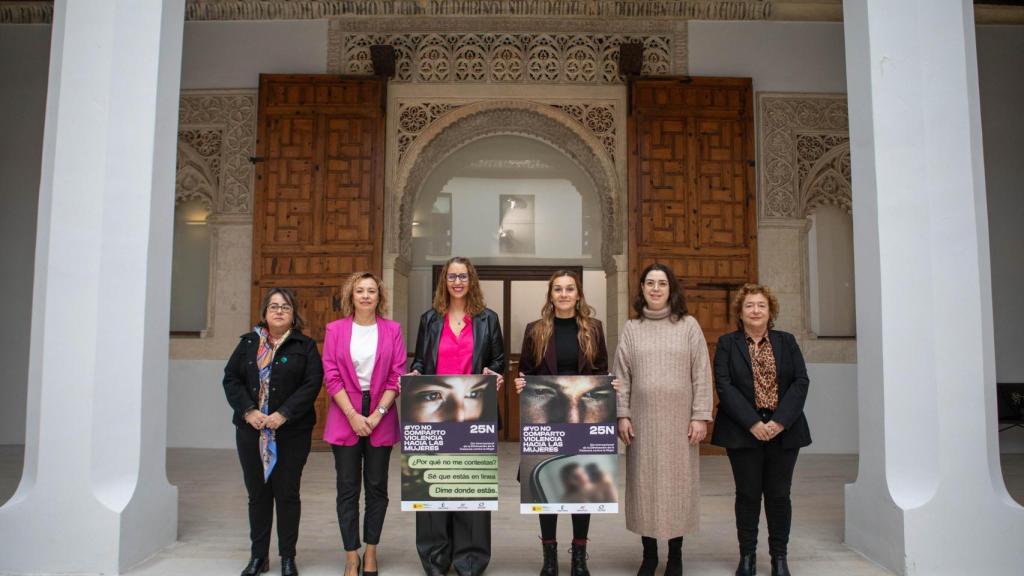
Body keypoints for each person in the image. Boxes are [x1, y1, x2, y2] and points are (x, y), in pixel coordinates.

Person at [612, 263, 713, 576]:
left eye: (662, 283)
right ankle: (649, 556)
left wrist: (700, 416)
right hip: (642, 425)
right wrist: (622, 414)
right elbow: (621, 376)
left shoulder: (689, 326)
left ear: (671, 289)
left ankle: (676, 556)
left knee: (677, 487)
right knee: (645, 487)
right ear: (642, 289)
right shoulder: (632, 328)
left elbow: (701, 373)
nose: (656, 289)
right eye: (650, 283)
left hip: (679, 424)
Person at [409, 256, 505, 576]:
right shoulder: (429, 319)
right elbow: (421, 361)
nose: (458, 282)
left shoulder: (488, 319)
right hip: (435, 415)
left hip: (474, 414)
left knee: (470, 488)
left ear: (471, 280)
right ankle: (435, 558)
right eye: (452, 276)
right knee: (434, 486)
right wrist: (415, 373)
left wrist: (494, 373)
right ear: (444, 281)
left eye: (463, 276)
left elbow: (498, 360)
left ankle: (470, 559)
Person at [514, 269, 611, 576]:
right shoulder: (535, 330)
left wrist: (609, 386)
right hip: (547, 420)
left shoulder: (594, 329)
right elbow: (526, 371)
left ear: (578, 294)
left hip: (582, 418)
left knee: (582, 486)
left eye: (570, 289)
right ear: (551, 295)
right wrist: (521, 382)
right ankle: (550, 557)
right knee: (547, 486)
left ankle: (579, 556)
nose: (564, 294)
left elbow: (601, 370)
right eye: (558, 289)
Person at [710, 284, 811, 576]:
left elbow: (801, 382)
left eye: (761, 305)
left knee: (779, 495)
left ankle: (779, 558)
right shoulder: (727, 344)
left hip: (784, 430)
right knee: (747, 495)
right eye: (749, 305)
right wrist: (752, 423)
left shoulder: (786, 341)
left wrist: (779, 421)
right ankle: (748, 557)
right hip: (743, 431)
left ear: (770, 311)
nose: (755, 310)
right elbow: (724, 385)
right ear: (740, 312)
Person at [222, 288, 323, 576]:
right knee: (258, 495)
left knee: (287, 494)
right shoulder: (248, 343)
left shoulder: (305, 346)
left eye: (285, 307)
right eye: (274, 306)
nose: (279, 311)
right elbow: (231, 379)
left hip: (292, 432)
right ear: (265, 312)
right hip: (251, 431)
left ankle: (288, 557)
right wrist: (248, 411)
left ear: (294, 314)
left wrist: (283, 414)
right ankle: (259, 557)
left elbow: (312, 383)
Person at [322, 272, 407, 576]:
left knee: (376, 488)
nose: (366, 296)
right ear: (351, 296)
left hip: (381, 413)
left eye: (372, 291)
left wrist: (377, 414)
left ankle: (371, 552)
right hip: (344, 413)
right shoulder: (335, 329)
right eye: (360, 290)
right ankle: (351, 555)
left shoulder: (392, 330)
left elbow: (397, 375)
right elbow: (331, 376)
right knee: (347, 489)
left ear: (379, 296)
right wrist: (353, 415)